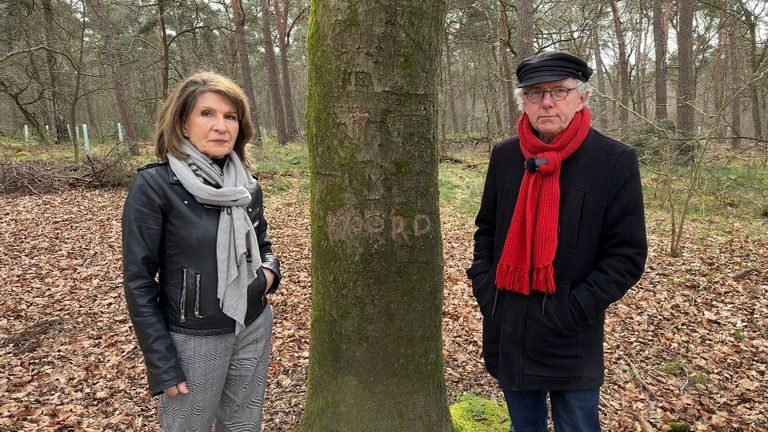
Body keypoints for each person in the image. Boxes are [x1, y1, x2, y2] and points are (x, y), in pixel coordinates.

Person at [466, 51, 647, 431]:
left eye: (559, 91)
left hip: (572, 333)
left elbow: (627, 254)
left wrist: (574, 309)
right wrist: (487, 294)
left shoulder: (613, 160)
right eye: (535, 92)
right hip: (509, 324)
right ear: (524, 102)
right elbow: (487, 232)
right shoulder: (505, 156)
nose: (546, 101)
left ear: (581, 97)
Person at [122, 72, 281, 431]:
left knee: (243, 424)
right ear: (182, 122)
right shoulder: (155, 186)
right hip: (191, 338)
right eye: (207, 114)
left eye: (230, 116)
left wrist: (267, 277)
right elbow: (138, 281)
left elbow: (264, 247)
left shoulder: (246, 186)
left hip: (251, 324)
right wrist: (162, 362)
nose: (220, 126)